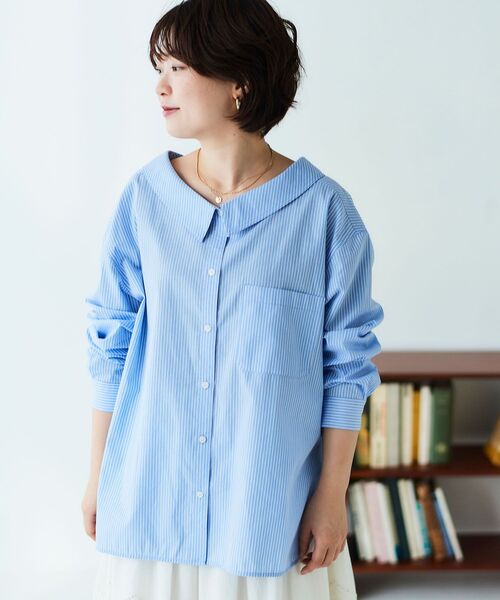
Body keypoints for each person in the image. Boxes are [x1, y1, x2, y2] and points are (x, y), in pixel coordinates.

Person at [81, 0, 384, 598]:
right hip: (152, 503)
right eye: (158, 69)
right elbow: (110, 347)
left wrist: (330, 498)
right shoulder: (144, 200)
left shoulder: (326, 213)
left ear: (239, 80)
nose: (161, 86)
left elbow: (345, 369)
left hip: (266, 517)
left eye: (178, 68)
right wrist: (98, 477)